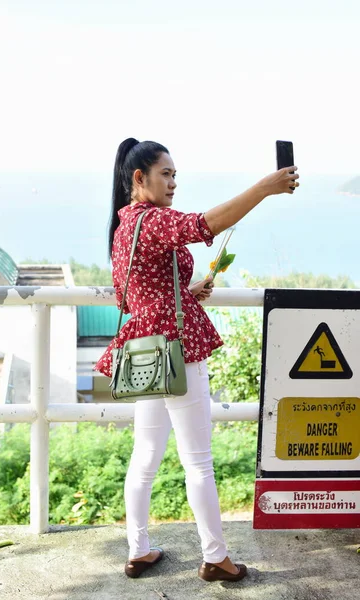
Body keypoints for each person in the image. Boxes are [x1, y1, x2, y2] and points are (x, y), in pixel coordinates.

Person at [95, 138, 299, 582]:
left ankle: (139, 549)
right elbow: (206, 223)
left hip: (147, 349)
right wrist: (264, 188)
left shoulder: (125, 223)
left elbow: (138, 294)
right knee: (198, 461)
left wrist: (185, 294)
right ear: (139, 178)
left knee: (145, 455)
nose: (172, 183)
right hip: (177, 348)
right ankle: (215, 557)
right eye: (165, 174)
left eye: (174, 176)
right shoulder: (154, 221)